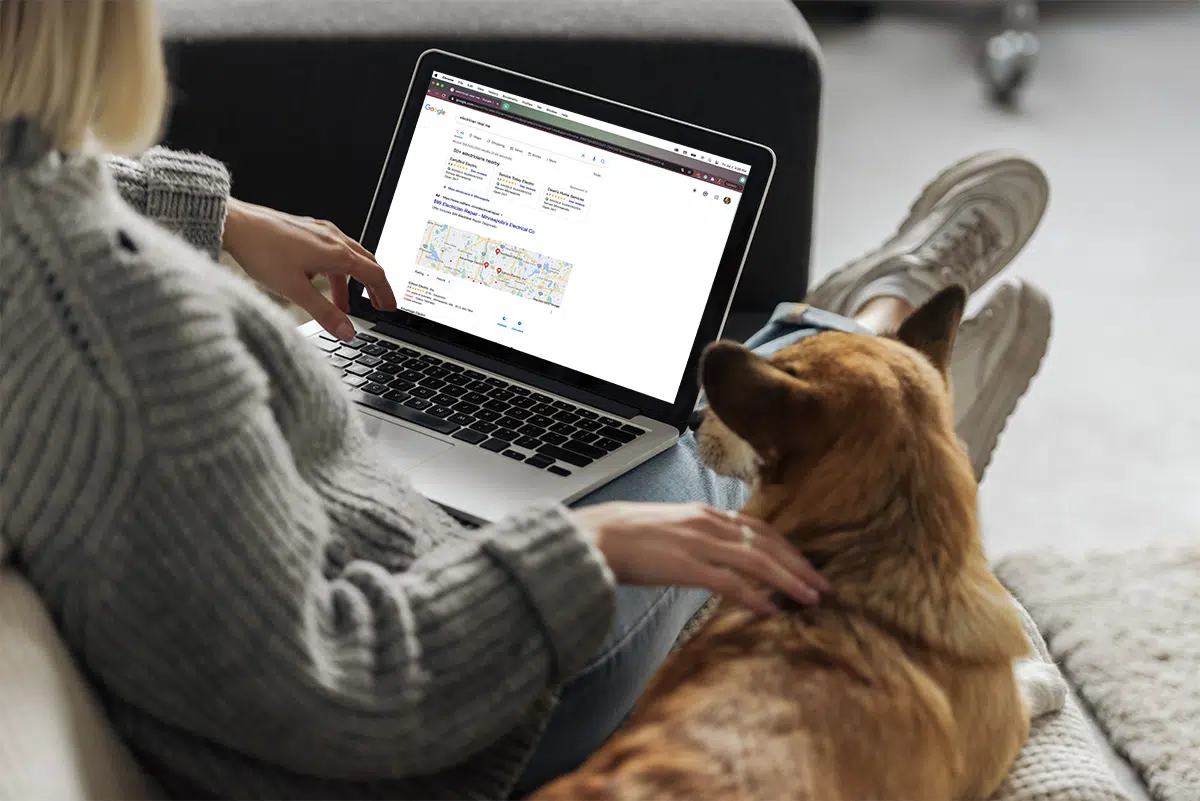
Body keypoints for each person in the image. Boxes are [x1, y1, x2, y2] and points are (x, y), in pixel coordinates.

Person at [0, 2, 1051, 798]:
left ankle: (868, 354)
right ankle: (887, 353)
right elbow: (337, 696)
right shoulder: (124, 324)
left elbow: (43, 179)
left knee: (660, 408)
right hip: (468, 711)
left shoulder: (55, 257)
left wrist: (222, 216)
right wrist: (592, 552)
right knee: (675, 439)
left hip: (366, 539)